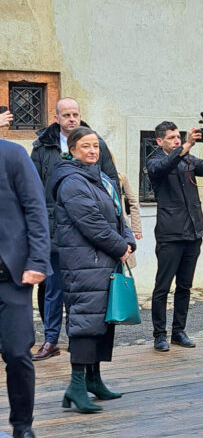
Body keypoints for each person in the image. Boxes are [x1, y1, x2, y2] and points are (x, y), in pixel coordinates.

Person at [50, 126, 136, 413]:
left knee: (102, 320)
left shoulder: (99, 177)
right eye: (85, 146)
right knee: (85, 322)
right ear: (72, 150)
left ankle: (94, 380)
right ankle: (76, 385)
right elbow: (92, 222)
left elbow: (116, 212)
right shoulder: (72, 181)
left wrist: (128, 240)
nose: (92, 151)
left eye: (95, 146)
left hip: (103, 260)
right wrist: (119, 247)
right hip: (84, 263)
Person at [30, 97, 118, 361]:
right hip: (55, 228)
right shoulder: (42, 147)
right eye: (66, 114)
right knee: (54, 287)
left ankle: (79, 344)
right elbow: (34, 190)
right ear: (56, 118)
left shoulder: (95, 143)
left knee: (86, 293)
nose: (71, 119)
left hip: (89, 231)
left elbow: (111, 182)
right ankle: (50, 339)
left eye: (75, 114)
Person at [147, 121, 203, 352]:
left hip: (193, 230)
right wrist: (186, 146)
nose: (177, 140)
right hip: (170, 233)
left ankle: (179, 330)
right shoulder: (154, 160)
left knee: (185, 286)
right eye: (171, 138)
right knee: (162, 287)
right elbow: (164, 167)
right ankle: (160, 334)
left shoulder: (187, 158)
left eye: (178, 137)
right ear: (159, 141)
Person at [0, 138, 51, 438]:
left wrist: (37, 261)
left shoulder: (13, 154)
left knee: (18, 353)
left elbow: (36, 209)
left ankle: (23, 427)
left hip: (11, 276)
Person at [118, 172, 143, 268]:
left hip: (122, 225)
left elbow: (133, 201)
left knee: (124, 264)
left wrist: (136, 228)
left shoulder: (121, 177)